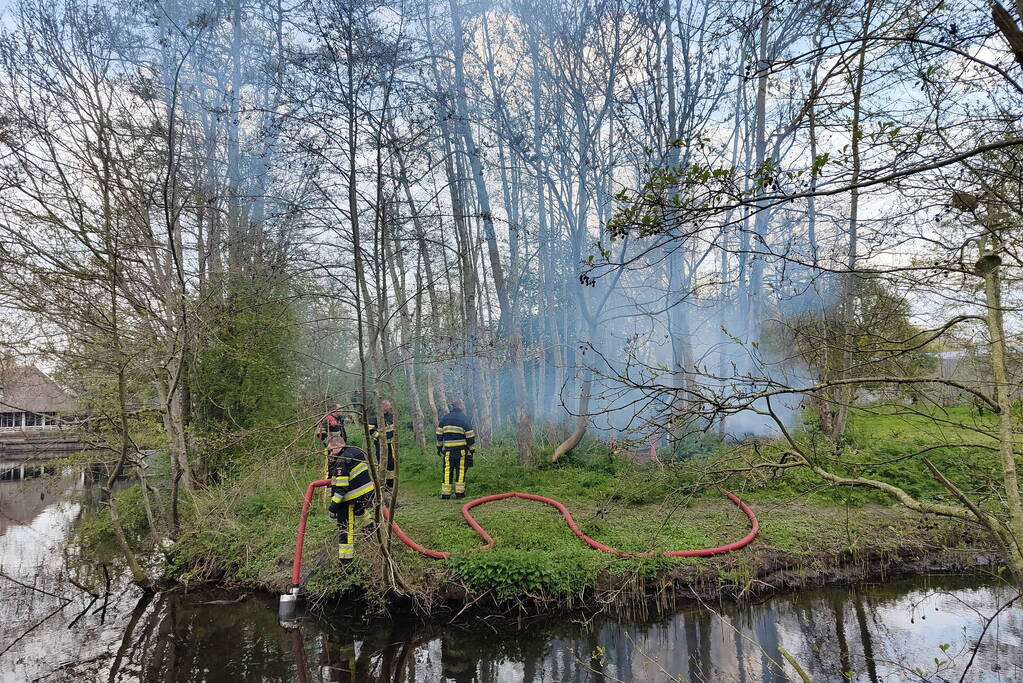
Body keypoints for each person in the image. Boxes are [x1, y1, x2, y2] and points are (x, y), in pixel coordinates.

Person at [326, 435, 375, 564]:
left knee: (345, 528)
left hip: (350, 498)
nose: (330, 454)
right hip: (365, 494)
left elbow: (341, 489)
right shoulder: (356, 451)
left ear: (338, 446)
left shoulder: (341, 461)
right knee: (360, 512)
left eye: (331, 450)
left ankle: (346, 562)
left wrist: (333, 507)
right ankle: (371, 533)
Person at [436, 399, 475, 499]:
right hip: (461, 451)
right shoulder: (464, 418)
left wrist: (439, 448)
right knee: (460, 470)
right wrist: (472, 450)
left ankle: (446, 494)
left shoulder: (444, 418)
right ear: (460, 406)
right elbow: (470, 436)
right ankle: (459, 493)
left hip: (448, 451)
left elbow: (439, 435)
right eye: (463, 404)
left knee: (447, 471)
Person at [368, 400, 396, 491]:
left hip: (390, 444)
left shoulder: (390, 415)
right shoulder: (375, 417)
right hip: (380, 445)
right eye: (388, 406)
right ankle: (381, 483)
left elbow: (393, 427)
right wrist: (379, 437)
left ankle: (390, 484)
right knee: (382, 463)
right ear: (383, 406)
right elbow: (370, 430)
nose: (390, 407)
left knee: (391, 463)